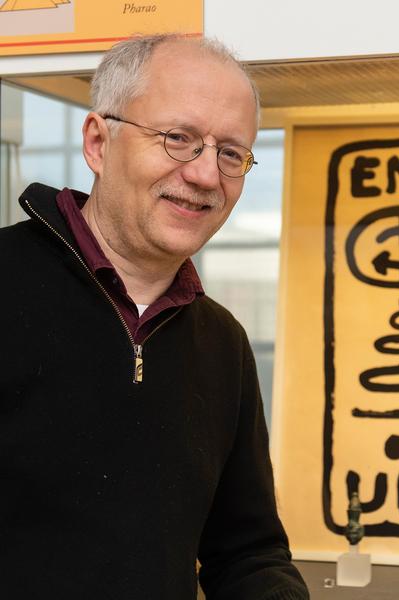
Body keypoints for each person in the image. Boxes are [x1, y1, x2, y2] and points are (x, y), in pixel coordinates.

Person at [0, 34, 309, 600]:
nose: (206, 176)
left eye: (230, 153)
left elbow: (246, 552)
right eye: (178, 139)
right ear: (98, 141)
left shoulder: (223, 344)